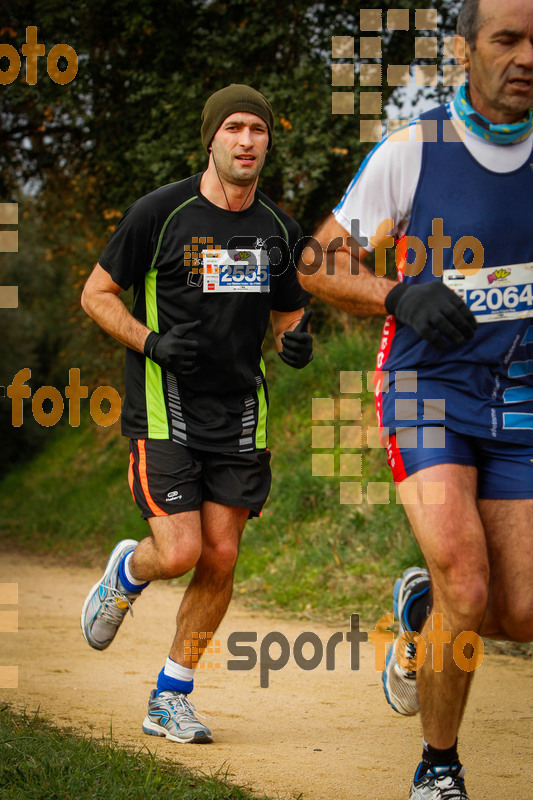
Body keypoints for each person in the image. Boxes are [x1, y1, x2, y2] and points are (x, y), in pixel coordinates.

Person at [298, 1, 533, 797]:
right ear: (464, 49)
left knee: (519, 612)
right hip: (425, 387)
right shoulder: (415, 147)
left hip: (520, 398)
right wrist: (397, 295)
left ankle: (420, 606)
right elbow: (314, 263)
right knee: (469, 585)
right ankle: (438, 768)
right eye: (507, 39)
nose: (526, 56)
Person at [80, 84, 313, 744]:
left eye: (258, 130)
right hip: (167, 408)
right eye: (234, 128)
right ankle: (128, 573)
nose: (246, 140)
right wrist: (150, 342)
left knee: (221, 555)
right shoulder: (160, 214)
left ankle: (169, 696)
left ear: (268, 141)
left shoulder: (277, 229)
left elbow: (290, 312)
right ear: (211, 139)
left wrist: (294, 340)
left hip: (240, 413)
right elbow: (95, 295)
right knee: (178, 551)